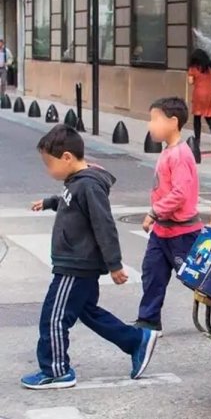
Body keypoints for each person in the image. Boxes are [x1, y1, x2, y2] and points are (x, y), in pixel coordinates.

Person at [21, 125, 160, 390]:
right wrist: (50, 202)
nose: (48, 170)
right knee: (88, 312)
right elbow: (71, 202)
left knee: (54, 317)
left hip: (75, 266)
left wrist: (115, 264)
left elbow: (104, 225)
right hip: (76, 263)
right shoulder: (77, 182)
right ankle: (135, 341)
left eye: (49, 164)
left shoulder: (88, 185)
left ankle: (56, 370)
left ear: (66, 158)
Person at [134, 97, 203, 332]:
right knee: (152, 273)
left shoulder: (180, 155)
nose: (149, 125)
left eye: (155, 119)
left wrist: (154, 211)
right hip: (162, 231)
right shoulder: (168, 152)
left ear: (173, 122)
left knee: (199, 279)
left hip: (182, 233)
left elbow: (180, 193)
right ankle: (148, 320)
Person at [188, 48, 211, 146]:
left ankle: (197, 139)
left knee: (197, 116)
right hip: (210, 93)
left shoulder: (193, 68)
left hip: (199, 94)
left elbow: (190, 81)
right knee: (209, 114)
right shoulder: (210, 68)